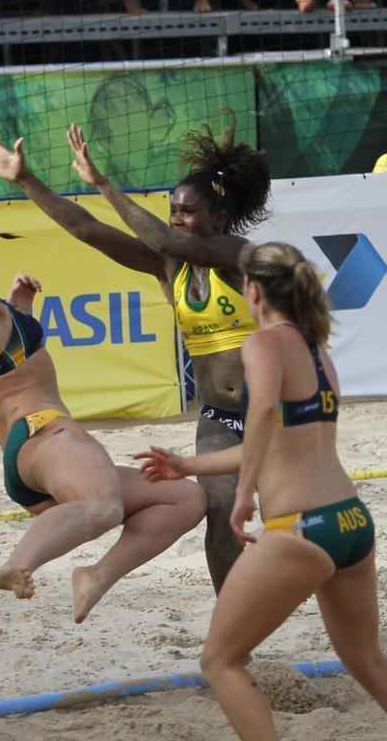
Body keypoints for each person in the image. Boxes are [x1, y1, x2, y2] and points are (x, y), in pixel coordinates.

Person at [0, 122, 269, 598]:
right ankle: (231, 630)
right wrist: (27, 181)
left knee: (295, 518)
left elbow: (171, 242)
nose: (177, 220)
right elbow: (86, 229)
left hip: (274, 416)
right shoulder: (170, 267)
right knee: (219, 514)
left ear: (218, 217)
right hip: (220, 418)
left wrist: (104, 184)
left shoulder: (239, 256)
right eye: (172, 211)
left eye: (188, 212)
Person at [138, 241, 387, 740]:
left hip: (300, 528)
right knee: (366, 660)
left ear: (251, 289)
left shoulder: (263, 343)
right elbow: (277, 441)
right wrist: (187, 464)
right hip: (350, 521)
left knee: (220, 660)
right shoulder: (317, 351)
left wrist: (243, 495)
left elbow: (260, 416)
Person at [0, 193, 204, 623]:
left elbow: (0, 368)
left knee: (184, 498)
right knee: (103, 506)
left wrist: (19, 310)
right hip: (45, 435)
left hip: (29, 459)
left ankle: (95, 576)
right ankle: (16, 563)